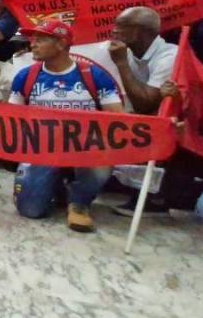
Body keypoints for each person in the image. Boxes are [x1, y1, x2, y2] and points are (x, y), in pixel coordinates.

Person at [8, 18, 124, 233]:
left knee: (102, 160)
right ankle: (58, 187)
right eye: (32, 39)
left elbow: (117, 118)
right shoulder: (25, 76)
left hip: (84, 148)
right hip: (42, 149)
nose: (32, 44)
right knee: (30, 210)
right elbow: (11, 119)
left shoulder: (94, 75)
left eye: (40, 39)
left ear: (61, 44)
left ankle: (80, 202)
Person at [108, 7, 177, 114]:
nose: (114, 30)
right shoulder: (124, 51)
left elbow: (144, 107)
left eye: (123, 26)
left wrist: (122, 63)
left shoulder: (170, 56)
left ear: (143, 31)